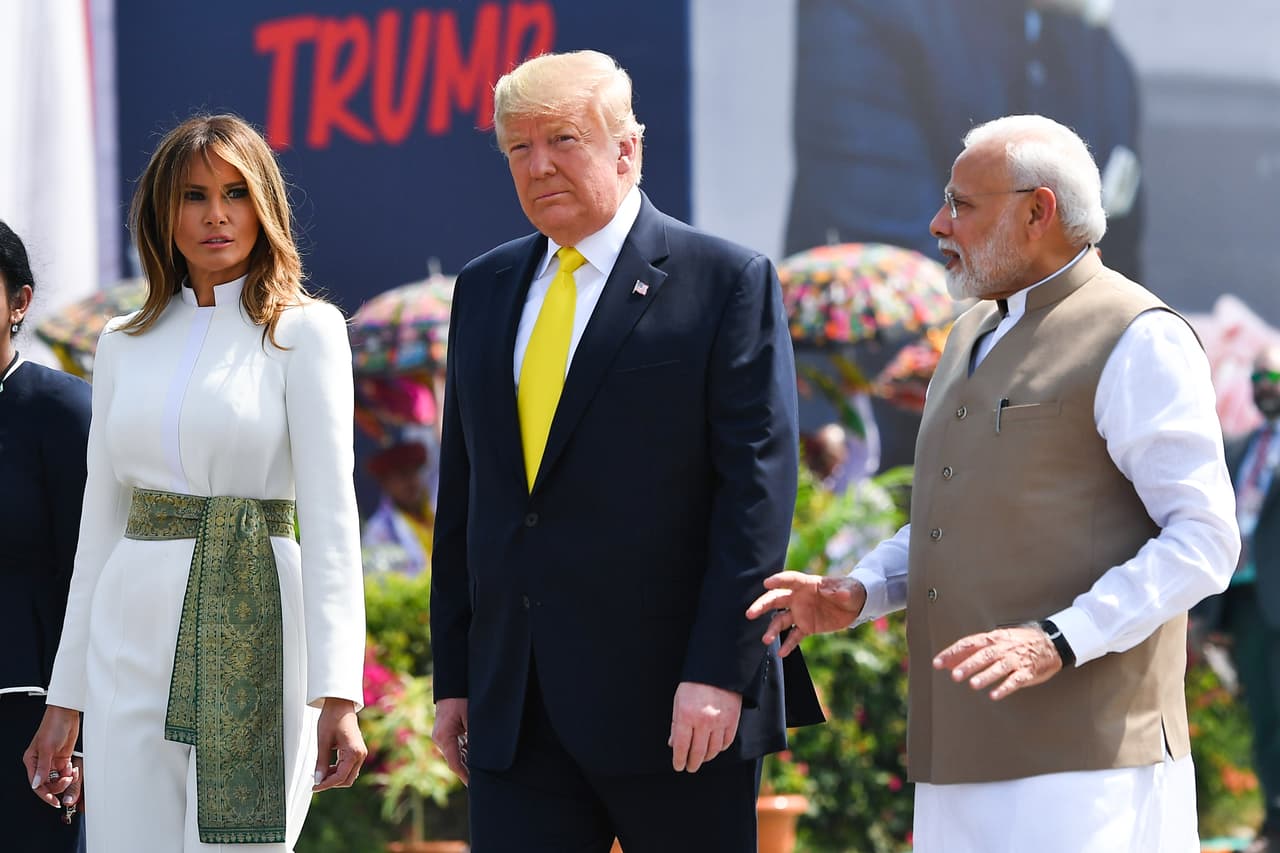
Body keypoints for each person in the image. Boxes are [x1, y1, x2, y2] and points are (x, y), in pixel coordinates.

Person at [750, 114, 1240, 852]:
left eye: (963, 204)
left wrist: (1059, 640)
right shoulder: (970, 332)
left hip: (1090, 764)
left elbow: (1204, 541)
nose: (938, 222)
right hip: (958, 756)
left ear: (1038, 210)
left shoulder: (1139, 334)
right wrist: (859, 592)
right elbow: (953, 520)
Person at [429, 50, 822, 853]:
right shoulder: (485, 287)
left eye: (563, 140)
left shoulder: (725, 282)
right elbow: (467, 496)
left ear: (626, 149)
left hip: (677, 705)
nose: (538, 166)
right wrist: (457, 679)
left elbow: (755, 492)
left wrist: (719, 670)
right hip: (517, 708)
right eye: (518, 148)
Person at [24, 114, 368, 851]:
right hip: (128, 632)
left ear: (264, 205)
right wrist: (65, 700)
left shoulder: (305, 330)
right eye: (194, 195)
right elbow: (97, 528)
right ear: (162, 212)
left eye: (236, 192)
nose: (216, 214)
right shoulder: (122, 342)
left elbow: (333, 520)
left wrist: (339, 691)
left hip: (261, 630)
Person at [0, 221, 89, 849]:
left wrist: (74, 721)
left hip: (28, 723)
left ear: (19, 303)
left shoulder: (63, 411)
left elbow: (91, 576)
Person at [1198, 346, 1280, 853]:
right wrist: (1209, 613)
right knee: (1265, 716)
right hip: (1248, 603)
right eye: (1257, 377)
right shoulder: (1243, 446)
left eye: (1272, 375)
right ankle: (1274, 821)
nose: (1263, 386)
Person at [362, 437, 434, 576]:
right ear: (385, 483)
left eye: (414, 471)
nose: (411, 482)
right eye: (402, 475)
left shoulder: (436, 511)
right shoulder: (377, 532)